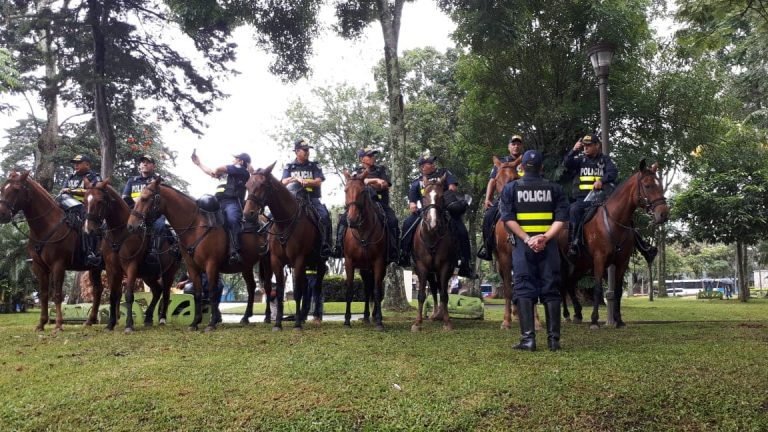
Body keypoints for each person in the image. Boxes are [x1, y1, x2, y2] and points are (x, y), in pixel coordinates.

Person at [500, 150, 569, 351]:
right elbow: (561, 219)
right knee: (551, 289)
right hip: (549, 247)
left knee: (523, 288)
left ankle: (528, 340)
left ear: (521, 168)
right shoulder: (554, 189)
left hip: (523, 246)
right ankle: (553, 341)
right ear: (541, 168)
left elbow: (507, 218)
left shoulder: (511, 189)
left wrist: (527, 239)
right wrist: (545, 238)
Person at [563, 134, 657, 262]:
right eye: (584, 146)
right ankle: (573, 244)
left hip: (602, 200)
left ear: (597, 145)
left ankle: (644, 247)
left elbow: (613, 172)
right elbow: (567, 163)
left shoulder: (605, 160)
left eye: (589, 145)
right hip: (583, 199)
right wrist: (574, 150)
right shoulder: (580, 160)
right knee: (574, 210)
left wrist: (602, 180)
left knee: (623, 216)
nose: (586, 148)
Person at [398, 152, 475, 278]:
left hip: (444, 210)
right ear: (422, 167)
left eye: (433, 162)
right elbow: (412, 200)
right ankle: (404, 254)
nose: (433, 164)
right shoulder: (416, 182)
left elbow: (452, 187)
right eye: (429, 163)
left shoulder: (444, 173)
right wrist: (412, 205)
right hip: (424, 212)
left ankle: (465, 262)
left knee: (461, 229)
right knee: (407, 223)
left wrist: (442, 195)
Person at [331, 147, 399, 263]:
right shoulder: (356, 172)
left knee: (392, 220)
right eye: (370, 156)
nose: (373, 157)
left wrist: (371, 181)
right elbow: (354, 185)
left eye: (373, 155)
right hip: (359, 205)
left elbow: (384, 185)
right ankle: (338, 247)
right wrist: (374, 181)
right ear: (362, 159)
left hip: (379, 203)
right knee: (342, 220)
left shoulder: (380, 169)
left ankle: (394, 249)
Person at [192, 151, 251, 264]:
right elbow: (212, 172)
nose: (233, 160)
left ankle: (234, 250)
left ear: (241, 161)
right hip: (217, 202)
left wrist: (216, 171)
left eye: (235, 158)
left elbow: (218, 169)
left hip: (232, 202)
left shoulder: (241, 170)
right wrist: (199, 163)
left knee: (232, 219)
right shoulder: (230, 172)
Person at [281, 138, 332, 257]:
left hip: (311, 198)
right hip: (293, 199)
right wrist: (295, 179)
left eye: (308, 150)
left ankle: (325, 245)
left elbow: (319, 181)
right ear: (297, 151)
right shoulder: (289, 166)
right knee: (272, 216)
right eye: (304, 150)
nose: (307, 152)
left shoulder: (314, 165)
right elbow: (283, 181)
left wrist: (307, 182)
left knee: (324, 216)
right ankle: (269, 245)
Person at [478, 135, 525, 261]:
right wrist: (488, 198)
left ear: (521, 146)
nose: (516, 146)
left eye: (518, 144)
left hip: (525, 197)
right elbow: (492, 181)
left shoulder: (527, 159)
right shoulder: (501, 162)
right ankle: (487, 248)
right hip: (503, 198)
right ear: (509, 147)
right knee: (488, 216)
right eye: (513, 144)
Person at [60, 154, 103, 267]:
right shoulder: (71, 177)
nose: (76, 165)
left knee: (87, 226)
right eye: (75, 163)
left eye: (79, 163)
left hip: (86, 207)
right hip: (67, 207)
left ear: (87, 164)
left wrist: (72, 191)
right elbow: (63, 191)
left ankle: (91, 252)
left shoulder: (94, 177)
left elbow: (94, 192)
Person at [122, 154, 168, 259]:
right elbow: (125, 197)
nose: (145, 164)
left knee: (160, 225)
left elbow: (162, 200)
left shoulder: (157, 181)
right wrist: (137, 206)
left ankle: (155, 252)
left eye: (148, 162)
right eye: (142, 162)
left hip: (153, 215)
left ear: (153, 166)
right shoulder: (132, 180)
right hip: (134, 212)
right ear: (139, 166)